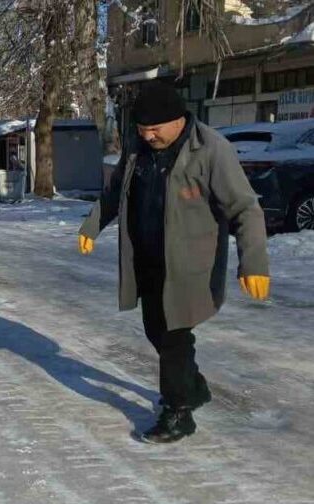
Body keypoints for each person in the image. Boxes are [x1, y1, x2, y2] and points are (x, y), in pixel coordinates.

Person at [78, 80, 271, 444]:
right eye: (142, 128)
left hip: (188, 268)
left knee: (172, 337)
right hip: (148, 260)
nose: (148, 135)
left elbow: (245, 208)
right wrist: (93, 224)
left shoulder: (211, 150)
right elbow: (116, 191)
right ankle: (193, 387)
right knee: (157, 330)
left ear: (178, 120)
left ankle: (178, 411)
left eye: (155, 128)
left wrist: (254, 262)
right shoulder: (137, 148)